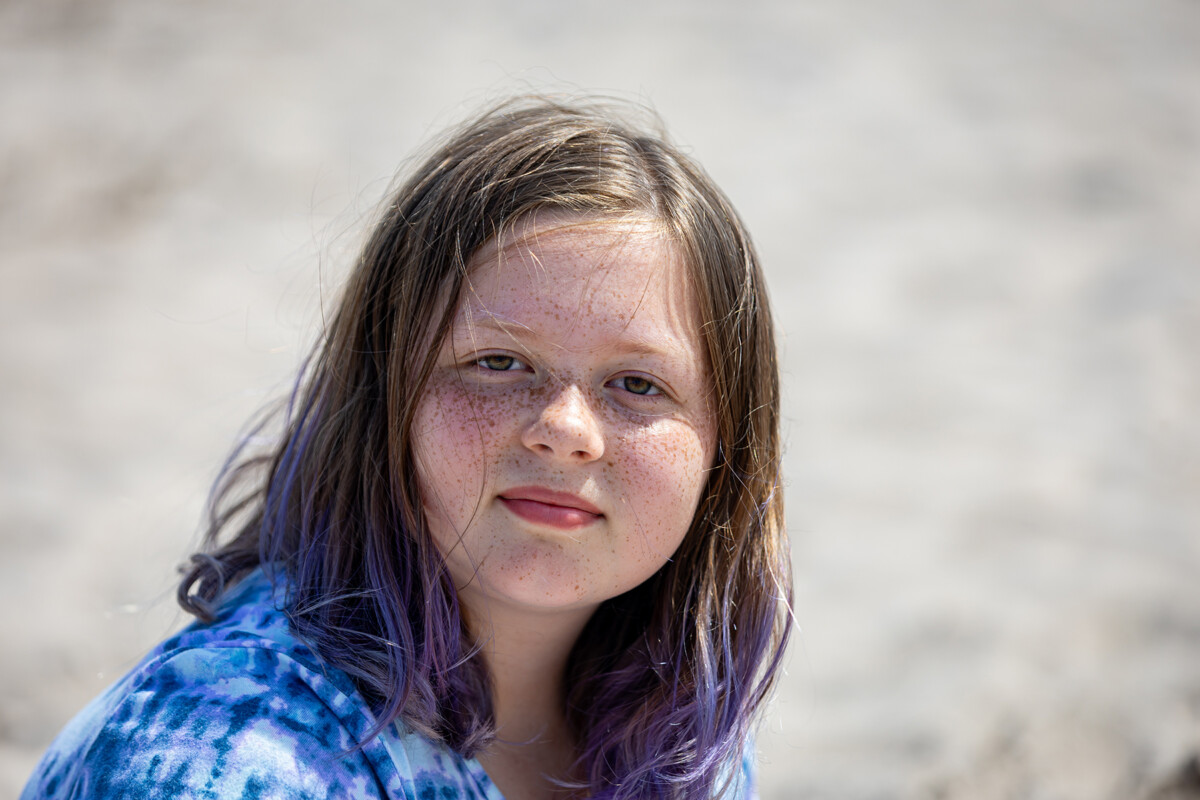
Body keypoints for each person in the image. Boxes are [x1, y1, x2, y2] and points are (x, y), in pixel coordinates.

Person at [23, 96, 792, 800]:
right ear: (384, 398)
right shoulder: (229, 760)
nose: (565, 429)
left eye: (636, 384)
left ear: (724, 450)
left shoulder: (689, 733)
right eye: (498, 363)